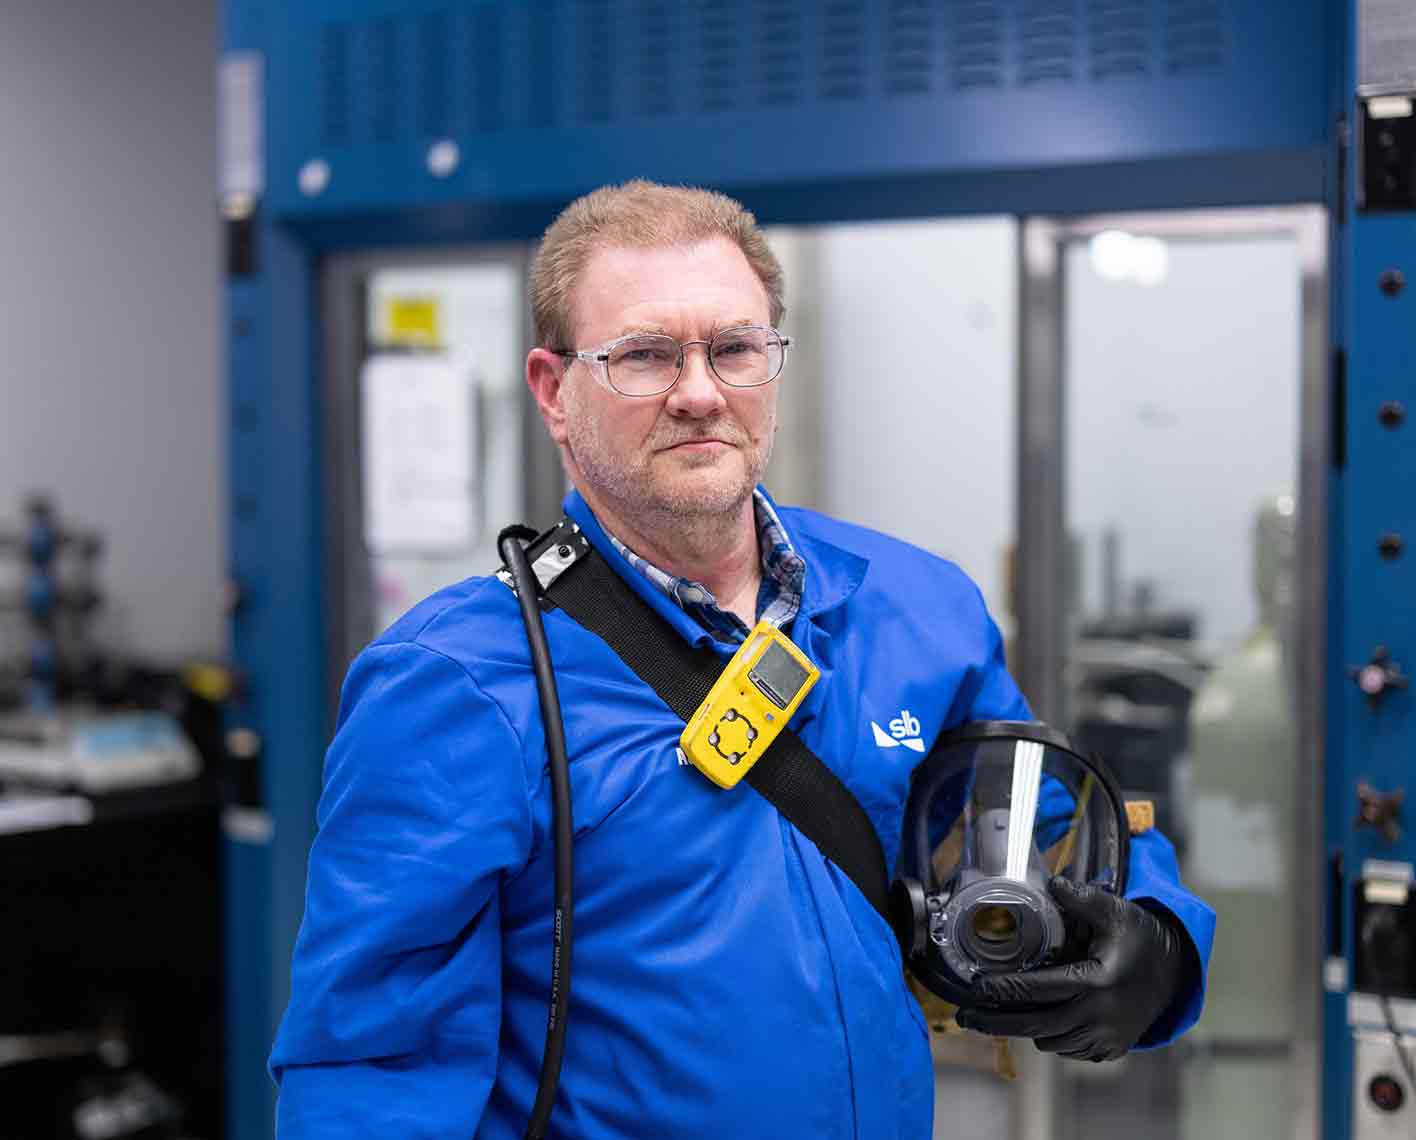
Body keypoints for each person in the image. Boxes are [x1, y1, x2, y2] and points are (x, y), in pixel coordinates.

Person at [270, 180, 1215, 1138]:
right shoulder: (455, 685)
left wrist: (1159, 941)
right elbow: (370, 1071)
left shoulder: (914, 606)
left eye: (733, 349)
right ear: (555, 393)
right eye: (642, 356)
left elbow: (1053, 827)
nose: (697, 391)